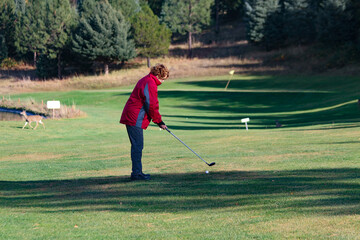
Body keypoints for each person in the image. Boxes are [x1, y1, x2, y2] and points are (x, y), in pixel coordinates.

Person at [120, 64, 169, 180]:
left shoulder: (147, 80)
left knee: (137, 145)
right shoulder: (150, 83)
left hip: (133, 115)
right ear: (157, 75)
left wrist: (158, 121)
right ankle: (136, 174)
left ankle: (137, 172)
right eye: (162, 79)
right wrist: (159, 121)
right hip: (134, 116)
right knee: (137, 146)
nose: (162, 82)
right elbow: (151, 105)